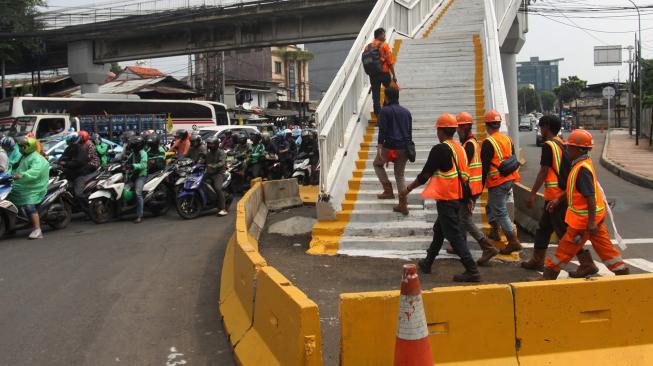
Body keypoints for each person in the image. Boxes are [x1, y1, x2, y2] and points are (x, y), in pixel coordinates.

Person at [401, 114, 480, 282]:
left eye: (437, 129)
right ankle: (428, 262)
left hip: (447, 199)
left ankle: (472, 270)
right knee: (439, 230)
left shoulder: (440, 149)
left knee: (454, 236)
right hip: (458, 198)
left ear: (441, 131)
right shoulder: (460, 148)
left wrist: (407, 189)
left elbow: (425, 175)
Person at [540, 129, 629, 279]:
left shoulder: (581, 169)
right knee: (607, 251)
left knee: (564, 250)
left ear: (578, 149)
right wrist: (558, 199)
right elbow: (574, 190)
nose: (567, 149)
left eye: (569, 147)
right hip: (594, 220)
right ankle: (622, 272)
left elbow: (590, 197)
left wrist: (591, 222)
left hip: (583, 223)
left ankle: (547, 277)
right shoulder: (583, 164)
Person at [522, 116, 598, 275]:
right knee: (543, 228)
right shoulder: (562, 144)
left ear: (547, 127)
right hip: (558, 196)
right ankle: (537, 260)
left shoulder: (548, 146)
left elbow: (543, 172)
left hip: (556, 198)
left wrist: (532, 193)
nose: (540, 130)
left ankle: (586, 262)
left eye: (541, 127)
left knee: (564, 232)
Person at [455, 112, 498, 266]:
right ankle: (460, 244)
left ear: (466, 127)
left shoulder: (469, 145)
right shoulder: (470, 143)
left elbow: (463, 169)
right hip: (472, 187)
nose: (457, 131)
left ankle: (487, 247)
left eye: (459, 127)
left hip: (470, 188)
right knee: (461, 216)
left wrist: (467, 195)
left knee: (465, 219)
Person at [481, 109, 522, 254]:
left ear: (487, 125)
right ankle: (494, 231)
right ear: (498, 125)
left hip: (497, 181)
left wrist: (478, 187)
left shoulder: (488, 142)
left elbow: (484, 168)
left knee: (500, 211)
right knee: (491, 206)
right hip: (509, 178)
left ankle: (513, 241)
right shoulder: (507, 139)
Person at [373, 86, 412, 214]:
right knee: (400, 175)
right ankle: (403, 203)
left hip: (390, 147)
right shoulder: (406, 112)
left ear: (387, 97)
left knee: (377, 165)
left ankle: (388, 190)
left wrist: (379, 148)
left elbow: (382, 131)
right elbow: (409, 132)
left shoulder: (385, 111)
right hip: (404, 147)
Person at [9, 136, 50, 239]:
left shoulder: (36, 158)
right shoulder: (23, 156)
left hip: (34, 187)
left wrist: (23, 174)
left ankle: (37, 229)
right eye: (20, 146)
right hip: (22, 184)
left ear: (28, 147)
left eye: (22, 146)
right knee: (9, 200)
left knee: (28, 205)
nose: (20, 148)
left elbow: (35, 171)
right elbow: (13, 166)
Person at [364, 27, 397, 116]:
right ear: (380, 35)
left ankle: (378, 115)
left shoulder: (368, 47)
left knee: (376, 95)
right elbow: (390, 62)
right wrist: (394, 75)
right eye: (384, 34)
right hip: (384, 72)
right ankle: (389, 110)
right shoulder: (384, 45)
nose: (385, 36)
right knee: (391, 91)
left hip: (373, 74)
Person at [59, 132, 96, 201]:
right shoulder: (68, 149)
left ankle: (86, 208)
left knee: (78, 194)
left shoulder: (80, 149)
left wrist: (66, 163)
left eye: (69, 141)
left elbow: (78, 162)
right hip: (69, 173)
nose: (67, 142)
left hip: (79, 174)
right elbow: (61, 159)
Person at [205, 136, 228, 217]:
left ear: (216, 144)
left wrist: (214, 166)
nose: (210, 146)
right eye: (209, 144)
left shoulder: (221, 152)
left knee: (218, 188)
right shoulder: (208, 154)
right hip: (209, 172)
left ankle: (223, 209)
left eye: (211, 144)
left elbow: (222, 162)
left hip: (219, 173)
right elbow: (204, 162)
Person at [128, 135, 148, 224]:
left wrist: (133, 166)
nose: (131, 146)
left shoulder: (143, 153)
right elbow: (127, 160)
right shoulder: (133, 153)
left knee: (138, 193)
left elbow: (144, 165)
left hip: (141, 176)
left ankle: (140, 215)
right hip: (133, 175)